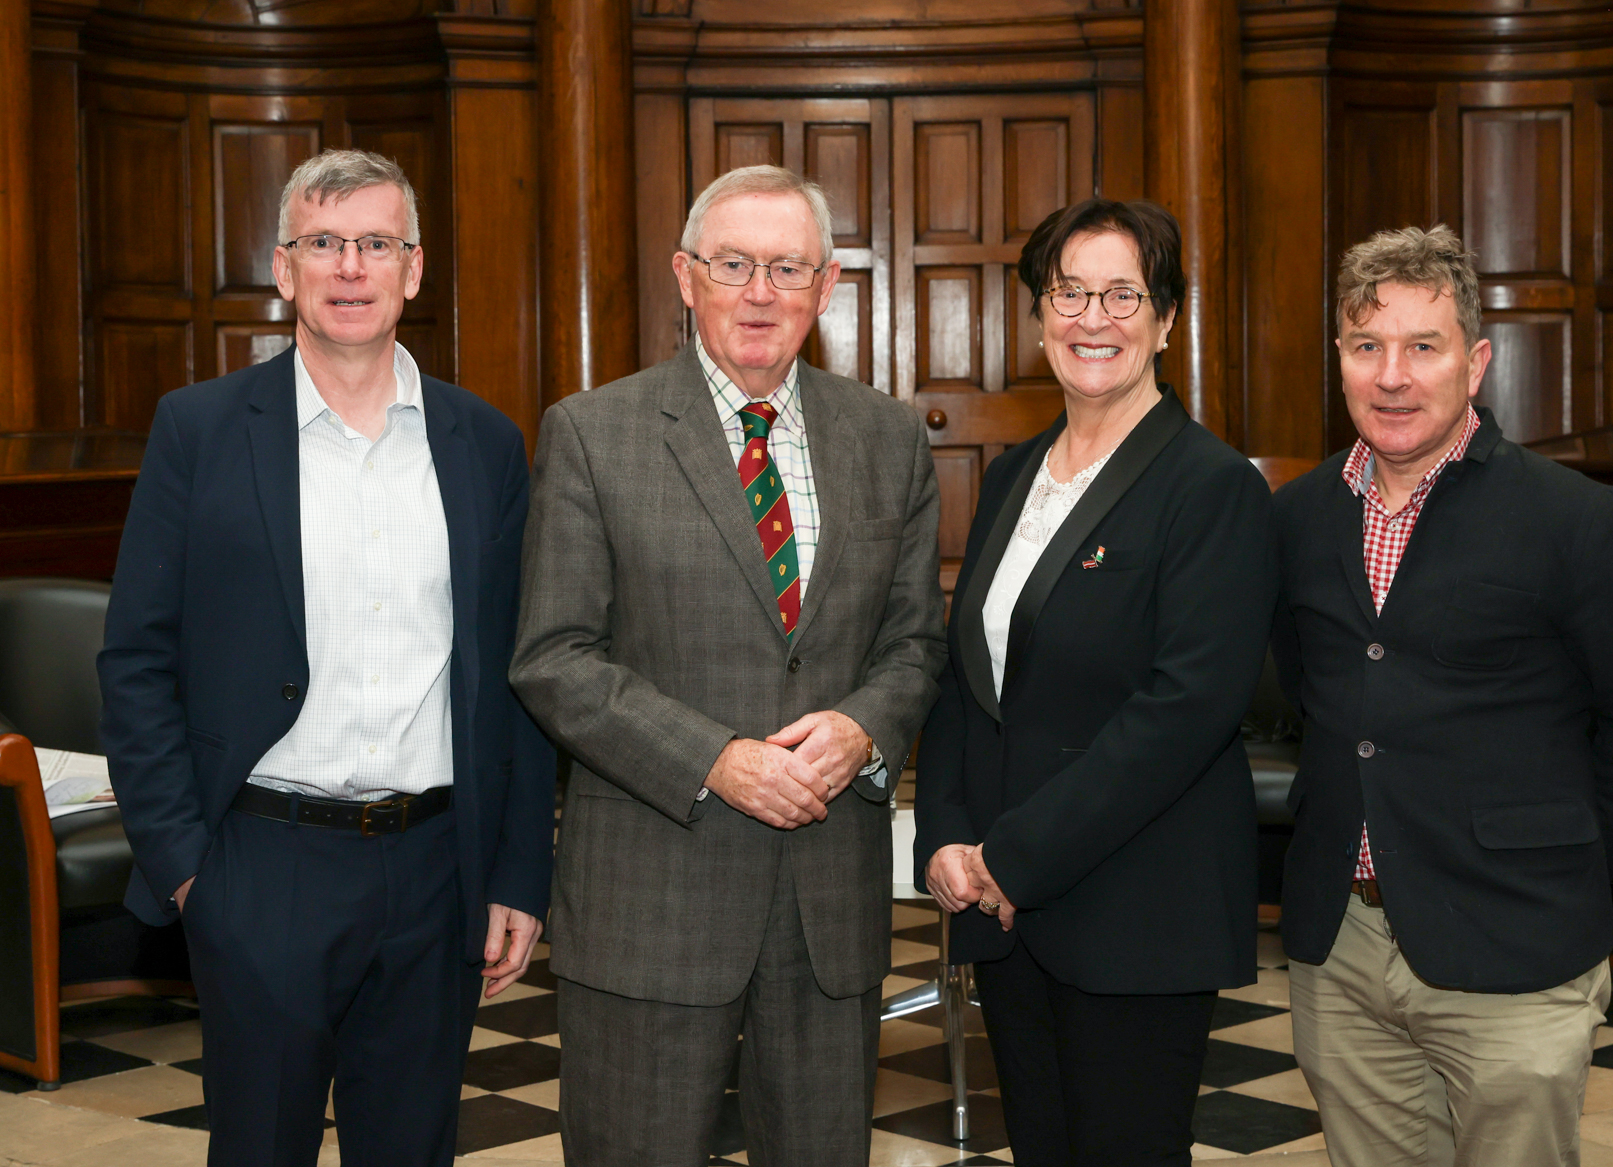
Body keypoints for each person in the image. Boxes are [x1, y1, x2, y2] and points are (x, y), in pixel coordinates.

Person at [96, 149, 555, 1166]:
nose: (352, 267)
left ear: (415, 268)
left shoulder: (483, 442)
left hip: (437, 868)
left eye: (376, 243)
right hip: (262, 862)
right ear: (285, 266)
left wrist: (520, 871)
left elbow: (518, 675)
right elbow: (135, 658)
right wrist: (185, 872)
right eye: (325, 244)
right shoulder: (202, 431)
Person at [510, 163, 947, 1166]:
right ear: (684, 275)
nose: (760, 292)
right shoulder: (594, 433)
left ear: (828, 287)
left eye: (787, 268)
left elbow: (916, 639)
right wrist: (715, 759)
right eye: (734, 264)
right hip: (653, 895)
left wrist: (860, 729)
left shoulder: (887, 438)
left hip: (827, 907)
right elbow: (553, 657)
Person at [1271, 224, 1613, 1166]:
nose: (1393, 376)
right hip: (1340, 945)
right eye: (1367, 346)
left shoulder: (1577, 522)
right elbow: (1311, 690)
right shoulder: (1296, 518)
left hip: (1515, 942)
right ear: (1338, 359)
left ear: (1476, 361)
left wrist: (1565, 859)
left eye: (1423, 347)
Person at [912, 197, 1277, 1167]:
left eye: (1123, 294)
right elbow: (966, 680)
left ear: (1167, 320)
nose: (1092, 318)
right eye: (1068, 292)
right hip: (1005, 911)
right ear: (1038, 316)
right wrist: (947, 833)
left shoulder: (1211, 487)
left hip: (1133, 909)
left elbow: (1186, 709)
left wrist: (1011, 855)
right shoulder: (1011, 476)